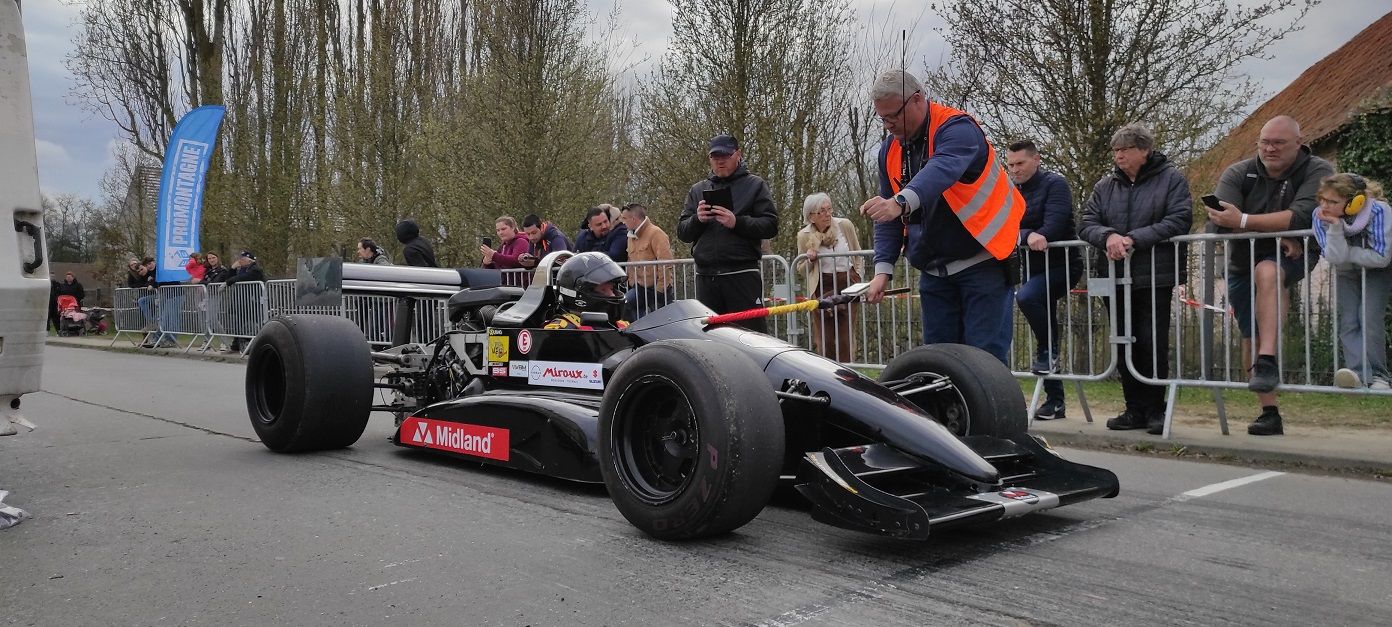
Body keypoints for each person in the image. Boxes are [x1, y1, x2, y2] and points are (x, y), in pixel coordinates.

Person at [858, 70, 1024, 364]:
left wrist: (901, 202)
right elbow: (887, 214)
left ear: (917, 99)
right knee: (940, 364)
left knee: (985, 363)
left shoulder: (958, 128)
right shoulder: (889, 150)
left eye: (894, 116)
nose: (889, 125)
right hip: (934, 274)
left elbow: (941, 170)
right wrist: (882, 270)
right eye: (882, 119)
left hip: (983, 263)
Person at [1206, 115, 1334, 436]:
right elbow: (1220, 222)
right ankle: (1268, 411)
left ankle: (1268, 359)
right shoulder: (1238, 172)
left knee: (1267, 272)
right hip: (1241, 261)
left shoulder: (1317, 170)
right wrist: (1277, 233)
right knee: (1250, 335)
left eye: (1279, 142)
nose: (1270, 148)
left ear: (1299, 143)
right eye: (1265, 142)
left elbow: (1301, 217)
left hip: (1294, 255)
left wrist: (1246, 221)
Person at [1079, 123, 1193, 435]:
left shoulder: (1171, 179)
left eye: (1125, 150)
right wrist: (1108, 236)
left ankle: (1156, 409)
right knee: (1122, 342)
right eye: (1115, 150)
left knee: (1151, 342)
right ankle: (1133, 409)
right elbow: (1086, 223)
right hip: (1114, 276)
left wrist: (1133, 239)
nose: (1118, 156)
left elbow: (1179, 219)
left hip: (1155, 274)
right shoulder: (1105, 186)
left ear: (1144, 150)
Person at [1005, 140, 1081, 420]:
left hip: (1063, 265)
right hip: (1033, 267)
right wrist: (1027, 235)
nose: (1015, 170)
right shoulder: (1011, 191)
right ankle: (1055, 401)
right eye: (1010, 165)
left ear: (1036, 160)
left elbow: (1054, 226)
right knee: (1043, 325)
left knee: (1027, 297)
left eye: (1020, 163)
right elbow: (1006, 227)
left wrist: (1030, 234)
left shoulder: (1055, 184)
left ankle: (1049, 352)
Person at [676, 134, 779, 333]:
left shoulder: (755, 185)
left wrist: (737, 222)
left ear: (738, 154)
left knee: (750, 336)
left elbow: (771, 225)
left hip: (742, 275)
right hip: (706, 278)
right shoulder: (698, 190)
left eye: (725, 156)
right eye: (715, 157)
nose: (720, 161)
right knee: (712, 338)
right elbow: (683, 232)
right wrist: (697, 219)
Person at [1312, 173, 1391, 391]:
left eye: (1332, 202)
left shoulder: (1379, 211)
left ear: (1354, 202)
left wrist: (1346, 252)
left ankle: (1379, 376)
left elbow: (1382, 257)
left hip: (1376, 272)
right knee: (1349, 321)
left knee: (1369, 317)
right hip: (1346, 271)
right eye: (1322, 199)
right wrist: (1336, 227)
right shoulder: (1320, 216)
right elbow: (1334, 257)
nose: (1324, 206)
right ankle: (1357, 373)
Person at [796, 193, 863, 362]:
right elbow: (801, 269)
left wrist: (858, 276)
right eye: (822, 211)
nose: (828, 214)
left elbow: (858, 254)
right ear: (811, 217)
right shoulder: (804, 235)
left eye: (829, 209)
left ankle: (847, 371)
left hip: (847, 283)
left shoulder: (844, 225)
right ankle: (827, 371)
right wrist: (810, 260)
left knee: (845, 338)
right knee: (825, 340)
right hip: (821, 287)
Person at [543, 252, 629, 330]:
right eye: (603, 290)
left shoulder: (623, 326)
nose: (612, 295)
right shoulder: (560, 330)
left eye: (611, 289)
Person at [620, 203, 674, 321]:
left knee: (662, 322)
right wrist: (629, 280)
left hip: (657, 290)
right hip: (640, 288)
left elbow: (665, 263)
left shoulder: (656, 233)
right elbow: (630, 260)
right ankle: (639, 330)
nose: (623, 222)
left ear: (633, 219)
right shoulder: (631, 236)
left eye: (624, 218)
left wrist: (660, 290)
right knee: (624, 304)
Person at [222, 251, 265, 352]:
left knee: (251, 324)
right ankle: (236, 345)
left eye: (243, 259)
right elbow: (229, 278)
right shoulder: (240, 269)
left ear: (250, 261)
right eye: (240, 259)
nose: (240, 261)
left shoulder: (255, 269)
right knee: (238, 323)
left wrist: (229, 282)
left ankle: (251, 345)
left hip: (252, 302)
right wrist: (232, 269)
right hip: (240, 301)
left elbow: (244, 277)